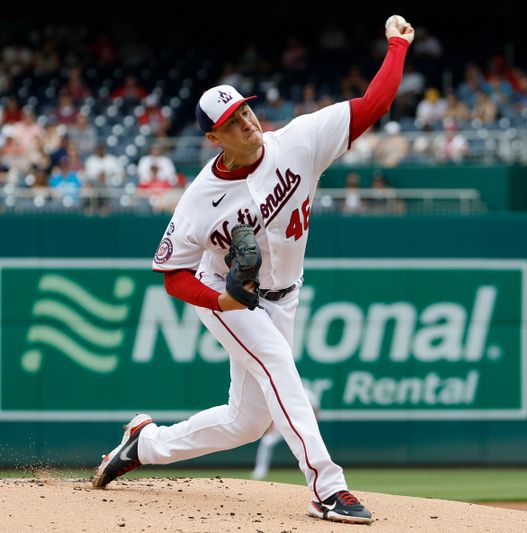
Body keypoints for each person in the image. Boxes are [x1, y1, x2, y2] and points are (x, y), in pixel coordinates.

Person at [91, 15, 415, 526]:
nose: (249, 124)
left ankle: (144, 446)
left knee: (246, 422)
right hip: (230, 293)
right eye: (236, 123)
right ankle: (328, 487)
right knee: (280, 367)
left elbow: (374, 104)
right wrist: (221, 301)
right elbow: (173, 276)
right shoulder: (200, 201)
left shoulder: (300, 140)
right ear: (216, 138)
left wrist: (397, 45)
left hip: (286, 295)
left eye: (247, 112)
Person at [251, 385, 320, 480]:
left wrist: (312, 427)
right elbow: (273, 409)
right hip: (282, 424)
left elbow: (316, 410)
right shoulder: (285, 391)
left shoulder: (308, 394)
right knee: (267, 442)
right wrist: (271, 427)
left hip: (301, 425)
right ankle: (260, 470)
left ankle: (314, 472)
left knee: (309, 446)